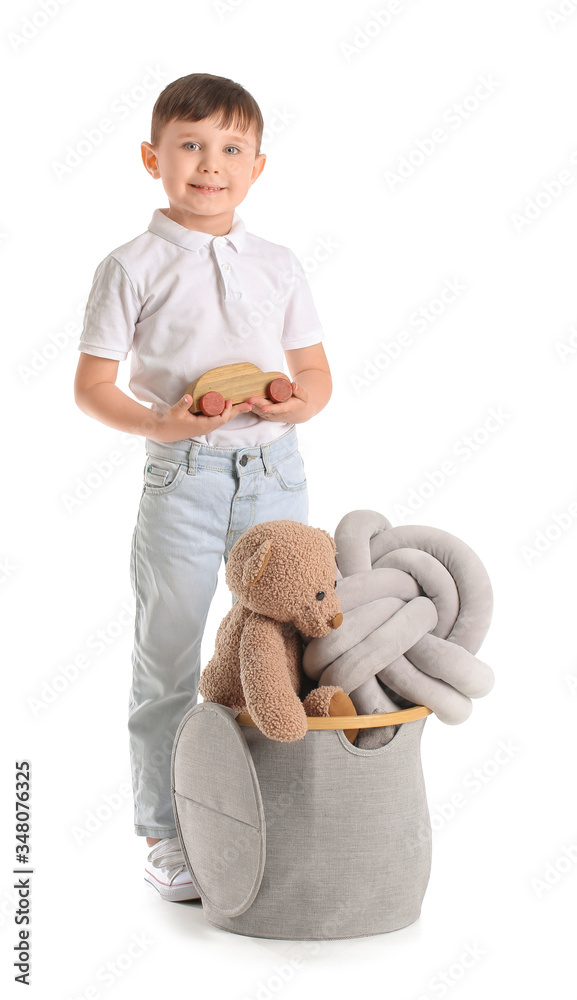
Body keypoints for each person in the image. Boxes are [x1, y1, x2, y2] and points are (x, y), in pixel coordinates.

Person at [73, 73, 332, 901]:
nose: (209, 164)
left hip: (272, 472)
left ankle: (280, 809)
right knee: (170, 654)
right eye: (189, 145)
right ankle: (167, 832)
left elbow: (316, 374)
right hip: (182, 478)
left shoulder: (278, 262)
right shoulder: (130, 266)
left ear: (257, 166)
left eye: (230, 149)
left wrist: (296, 400)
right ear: (153, 159)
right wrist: (162, 425)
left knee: (285, 646)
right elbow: (93, 386)